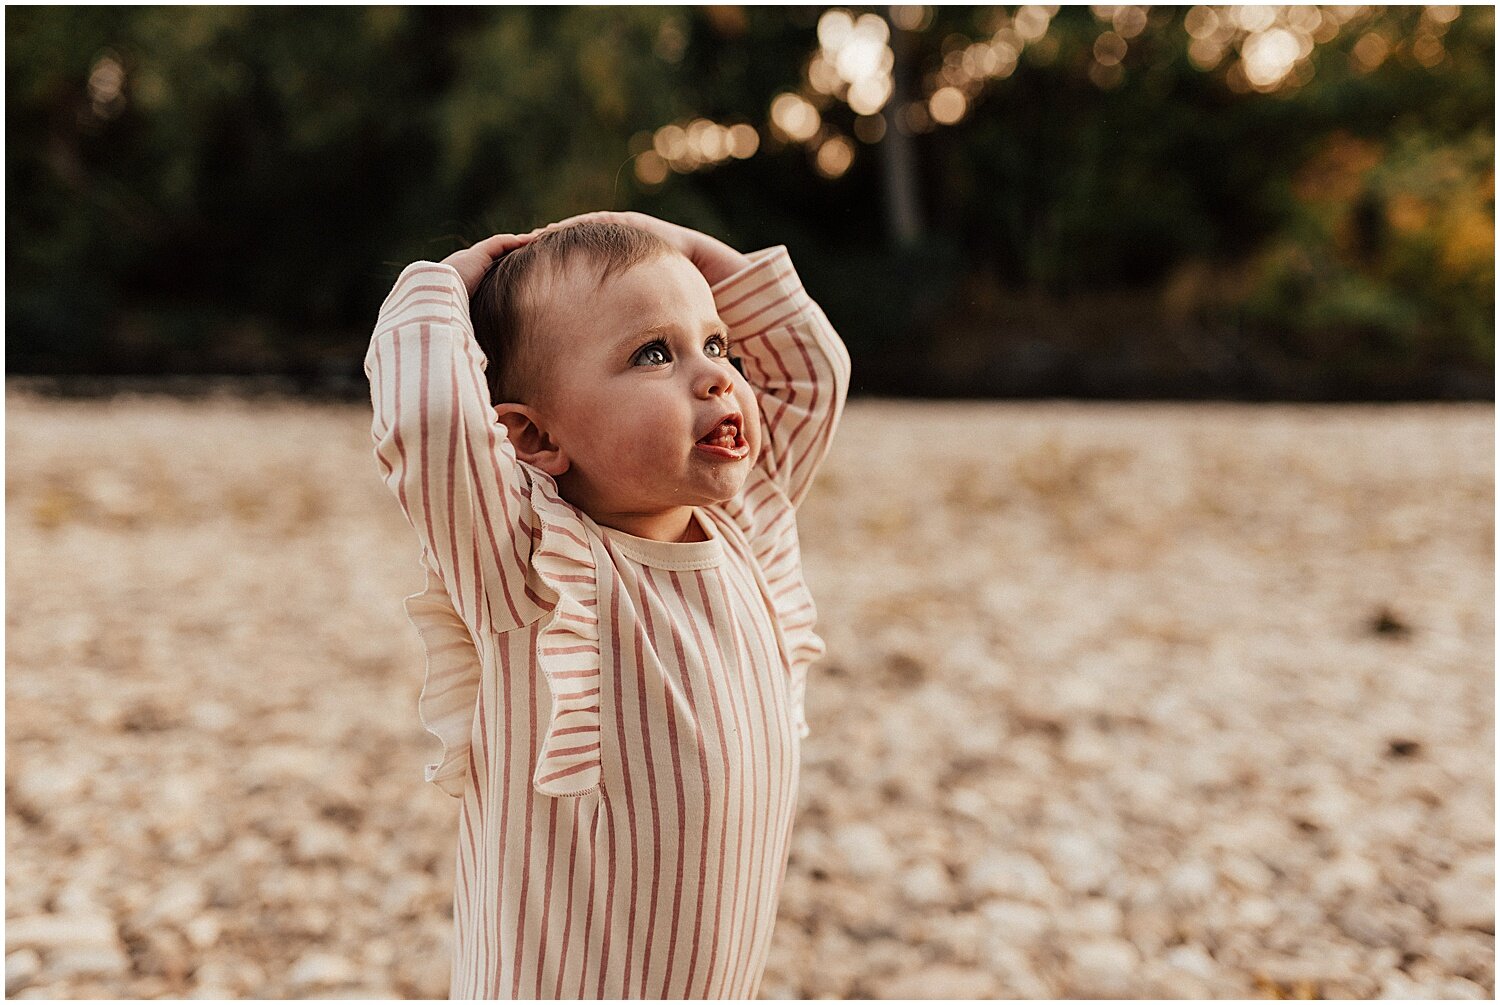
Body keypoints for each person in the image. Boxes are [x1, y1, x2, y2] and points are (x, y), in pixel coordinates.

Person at [364, 210, 851, 999]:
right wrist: (445, 278)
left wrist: (679, 244)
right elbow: (431, 419)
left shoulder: (746, 524)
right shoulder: (528, 571)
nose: (718, 375)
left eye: (717, 343)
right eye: (653, 353)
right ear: (530, 437)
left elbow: (811, 372)